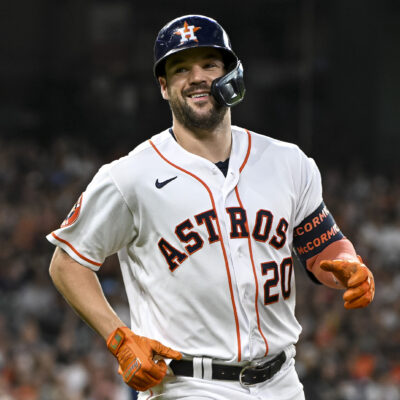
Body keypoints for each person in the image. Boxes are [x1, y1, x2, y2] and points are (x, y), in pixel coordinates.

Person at [47, 15, 375, 400]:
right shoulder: (130, 176)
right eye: (181, 68)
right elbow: (67, 263)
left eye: (209, 64)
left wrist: (349, 264)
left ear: (232, 74)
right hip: (187, 385)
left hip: (283, 382)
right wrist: (118, 338)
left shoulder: (288, 162)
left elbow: (321, 246)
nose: (197, 76)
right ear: (164, 87)